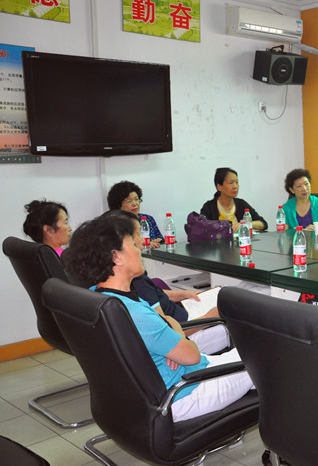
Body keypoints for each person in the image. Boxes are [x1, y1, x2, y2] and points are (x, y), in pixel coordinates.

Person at [61, 213, 253, 422]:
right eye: (132, 244)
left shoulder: (99, 298)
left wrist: (172, 340)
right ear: (117, 257)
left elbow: (167, 336)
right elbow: (192, 355)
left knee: (254, 354)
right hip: (186, 392)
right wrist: (177, 335)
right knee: (267, 352)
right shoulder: (135, 313)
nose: (139, 248)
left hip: (170, 383)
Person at [113, 210, 221, 323]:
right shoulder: (138, 281)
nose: (143, 241)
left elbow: (154, 295)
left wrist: (184, 294)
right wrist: (209, 317)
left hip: (186, 317)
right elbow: (167, 329)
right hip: (189, 326)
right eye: (139, 234)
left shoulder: (134, 279)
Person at [200, 167, 267, 232]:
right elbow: (201, 228)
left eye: (237, 182)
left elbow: (263, 224)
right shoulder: (209, 207)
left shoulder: (241, 204)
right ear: (219, 187)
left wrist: (246, 224)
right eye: (231, 183)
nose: (235, 187)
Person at [107, 181, 163, 249]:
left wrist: (158, 242)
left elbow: (162, 240)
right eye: (129, 201)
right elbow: (118, 249)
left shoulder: (148, 219)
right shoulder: (115, 224)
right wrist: (144, 246)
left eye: (136, 199)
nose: (135, 204)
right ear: (118, 205)